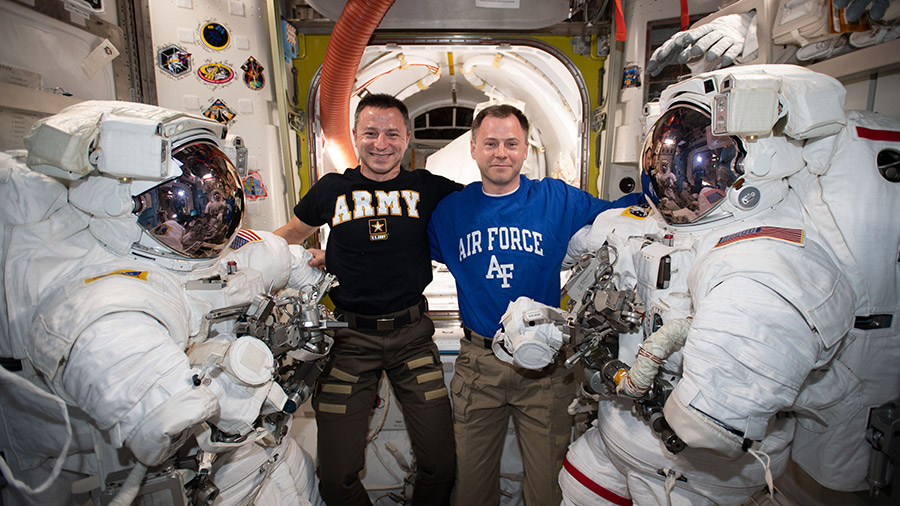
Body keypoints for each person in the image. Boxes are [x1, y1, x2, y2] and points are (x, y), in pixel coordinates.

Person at [556, 65, 891, 505]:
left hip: (688, 473)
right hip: (616, 432)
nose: (675, 178)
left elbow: (706, 423)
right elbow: (572, 270)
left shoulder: (765, 261)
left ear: (754, 163)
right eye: (668, 156)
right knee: (578, 488)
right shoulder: (633, 225)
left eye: (704, 158)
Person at [0, 101, 327, 505]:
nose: (208, 210)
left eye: (214, 191)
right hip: (206, 487)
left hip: (271, 462)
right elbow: (161, 415)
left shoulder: (225, 254)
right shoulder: (107, 302)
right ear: (122, 205)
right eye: (186, 200)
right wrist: (227, 390)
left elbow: (285, 258)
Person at [426, 104, 641, 506]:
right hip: (479, 362)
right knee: (471, 489)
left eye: (511, 143)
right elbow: (405, 252)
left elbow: (622, 213)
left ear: (526, 150)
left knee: (547, 488)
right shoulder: (451, 212)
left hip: (545, 364)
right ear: (473, 148)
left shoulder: (556, 199)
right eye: (490, 144)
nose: (500, 153)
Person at [274, 93, 461, 506]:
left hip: (412, 337)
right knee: (337, 477)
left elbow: (485, 204)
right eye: (371, 133)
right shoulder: (332, 190)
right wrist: (240, 265)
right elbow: (286, 238)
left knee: (441, 467)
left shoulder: (427, 188)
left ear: (408, 138)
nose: (381, 143)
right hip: (348, 342)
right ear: (355, 137)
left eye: (392, 134)